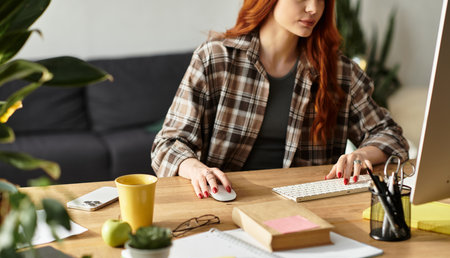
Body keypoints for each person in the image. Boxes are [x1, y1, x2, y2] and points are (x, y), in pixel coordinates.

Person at [151, 0, 409, 199]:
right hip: (227, 202)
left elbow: (391, 136)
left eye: (321, 0)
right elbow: (167, 144)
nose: (313, 9)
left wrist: (362, 154)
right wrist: (196, 169)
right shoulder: (215, 59)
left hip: (311, 204)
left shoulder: (340, 73)